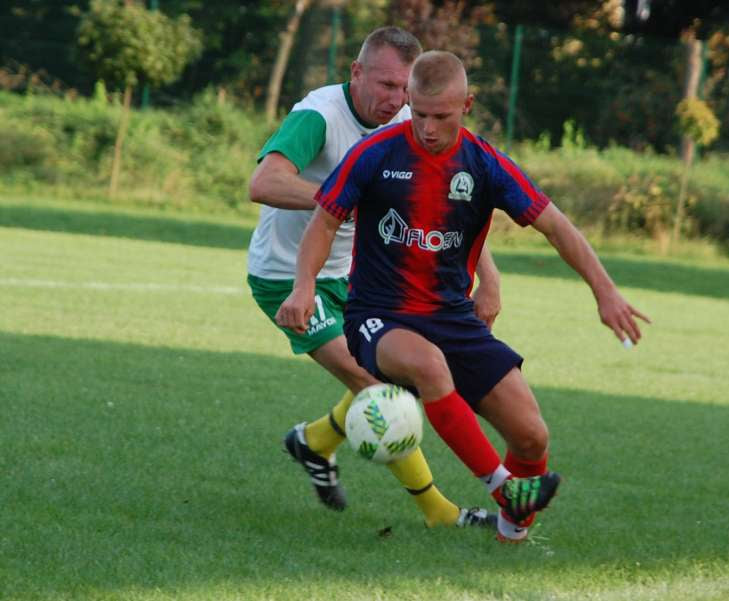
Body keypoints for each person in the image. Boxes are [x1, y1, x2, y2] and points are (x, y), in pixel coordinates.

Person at [275, 50, 651, 542]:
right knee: (428, 366)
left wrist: (606, 293)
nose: (428, 128)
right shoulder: (376, 154)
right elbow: (325, 220)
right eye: (421, 113)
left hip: (453, 316)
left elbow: (556, 226)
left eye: (442, 116)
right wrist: (304, 287)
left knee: (532, 434)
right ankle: (503, 492)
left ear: (467, 104)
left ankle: (511, 536)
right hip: (378, 316)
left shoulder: (485, 163)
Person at [247, 28, 500, 529]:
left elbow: (453, 203)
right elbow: (264, 181)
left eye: (402, 88)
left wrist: (487, 277)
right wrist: (345, 198)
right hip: (288, 276)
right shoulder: (318, 115)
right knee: (376, 388)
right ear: (356, 73)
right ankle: (440, 513)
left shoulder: (414, 122)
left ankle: (314, 442)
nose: (393, 100)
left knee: (400, 377)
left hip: (363, 279)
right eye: (384, 84)